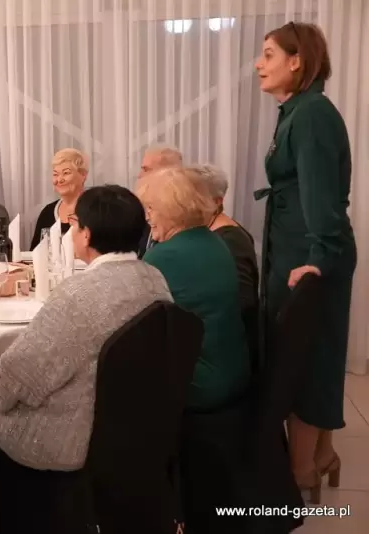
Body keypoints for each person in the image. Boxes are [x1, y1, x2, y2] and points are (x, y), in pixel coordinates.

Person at [0, 185, 172, 531]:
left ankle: (12, 515)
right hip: (134, 417)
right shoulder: (154, 277)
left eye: (75, 223)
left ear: (87, 234)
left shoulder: (78, 294)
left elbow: (21, 374)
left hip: (74, 430)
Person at [255, 22, 356, 500]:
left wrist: (318, 261)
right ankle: (321, 455)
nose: (259, 64)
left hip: (310, 254)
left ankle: (300, 475)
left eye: (268, 54)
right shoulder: (298, 109)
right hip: (300, 249)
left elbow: (322, 197)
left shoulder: (311, 113)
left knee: (305, 361)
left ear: (297, 61)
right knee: (309, 354)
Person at [136, 167, 251, 410]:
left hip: (201, 380)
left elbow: (130, 318)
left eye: (151, 208)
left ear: (171, 209)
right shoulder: (214, 240)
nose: (147, 217)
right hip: (232, 368)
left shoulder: (163, 256)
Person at [187, 164, 259, 313]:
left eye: (195, 197)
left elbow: (242, 301)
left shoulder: (231, 241)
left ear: (217, 201)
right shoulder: (207, 231)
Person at [29, 149, 88, 250]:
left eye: (66, 173)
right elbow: (35, 252)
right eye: (55, 174)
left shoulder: (97, 210)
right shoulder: (47, 212)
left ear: (83, 175)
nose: (59, 179)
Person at [136, 144, 184, 257]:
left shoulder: (181, 214)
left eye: (146, 169)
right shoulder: (142, 209)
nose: (139, 176)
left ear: (168, 173)